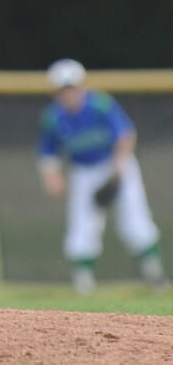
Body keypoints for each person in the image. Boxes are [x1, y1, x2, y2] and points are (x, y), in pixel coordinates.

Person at [38, 58, 169, 294]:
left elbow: (126, 136)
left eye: (72, 87)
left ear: (81, 86)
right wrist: (52, 176)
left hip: (116, 164)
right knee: (83, 226)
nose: (68, 93)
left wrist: (117, 172)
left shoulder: (100, 105)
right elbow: (48, 152)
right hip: (84, 172)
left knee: (135, 220)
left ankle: (155, 276)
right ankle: (83, 284)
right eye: (63, 89)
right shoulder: (54, 117)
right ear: (56, 92)